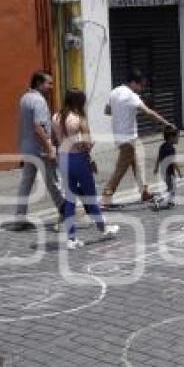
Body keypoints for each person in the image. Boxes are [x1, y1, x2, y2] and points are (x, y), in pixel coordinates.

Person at [52, 89, 120, 249]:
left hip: (63, 159)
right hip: (78, 160)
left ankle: (71, 238)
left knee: (69, 200)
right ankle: (103, 229)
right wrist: (88, 150)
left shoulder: (55, 117)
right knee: (90, 197)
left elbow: (56, 139)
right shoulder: (79, 119)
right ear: (80, 102)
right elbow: (87, 144)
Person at [101, 69, 175, 207]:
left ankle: (144, 192)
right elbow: (148, 113)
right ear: (133, 83)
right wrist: (166, 123)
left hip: (121, 136)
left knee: (138, 163)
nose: (142, 88)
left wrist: (121, 112)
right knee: (120, 169)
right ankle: (106, 197)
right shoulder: (131, 96)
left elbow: (107, 110)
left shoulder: (115, 92)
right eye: (141, 85)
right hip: (128, 138)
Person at [12, 70, 65, 231]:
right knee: (54, 181)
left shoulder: (25, 98)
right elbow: (38, 127)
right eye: (49, 83)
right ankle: (65, 212)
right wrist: (50, 148)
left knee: (26, 183)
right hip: (41, 148)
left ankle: (19, 218)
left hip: (27, 148)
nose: (51, 87)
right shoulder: (39, 101)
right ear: (39, 84)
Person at [152, 126, 182, 210]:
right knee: (172, 189)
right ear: (171, 137)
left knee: (171, 187)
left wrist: (156, 167)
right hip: (169, 172)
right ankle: (158, 199)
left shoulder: (162, 146)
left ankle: (170, 202)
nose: (178, 139)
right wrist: (179, 172)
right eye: (177, 137)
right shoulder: (171, 149)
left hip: (163, 172)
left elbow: (159, 157)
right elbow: (173, 162)